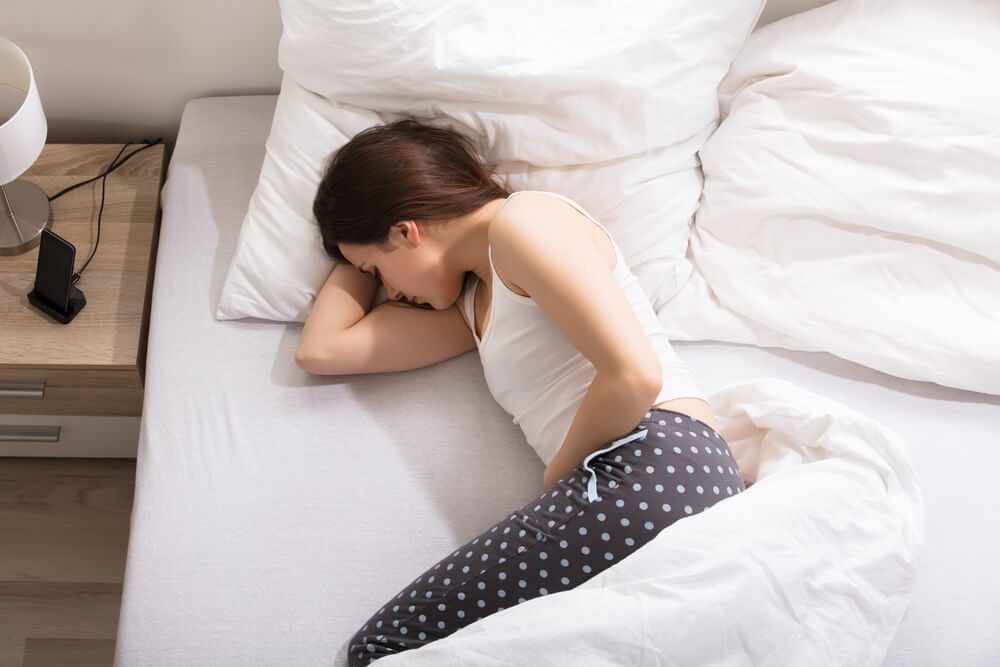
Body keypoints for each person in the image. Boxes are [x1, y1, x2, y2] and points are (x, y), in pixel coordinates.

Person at [297, 119, 746, 665]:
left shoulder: (525, 222)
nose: (388, 290)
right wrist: (354, 252)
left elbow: (634, 374)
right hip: (636, 475)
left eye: (376, 269)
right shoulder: (469, 303)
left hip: (654, 459)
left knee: (386, 647)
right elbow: (321, 351)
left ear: (405, 230)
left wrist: (560, 476)